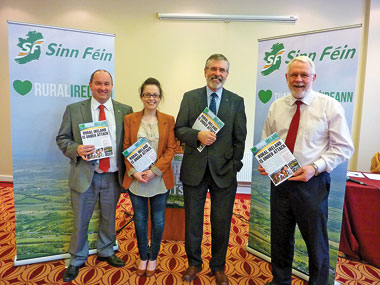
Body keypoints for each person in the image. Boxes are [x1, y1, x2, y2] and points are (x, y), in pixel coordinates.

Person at [258, 56, 354, 285]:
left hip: (313, 184)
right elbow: (267, 141)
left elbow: (344, 147)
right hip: (280, 183)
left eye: (304, 75)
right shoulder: (276, 106)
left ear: (314, 78)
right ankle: (280, 281)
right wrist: (265, 162)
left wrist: (315, 167)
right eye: (294, 75)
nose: (299, 80)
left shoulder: (329, 106)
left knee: (316, 242)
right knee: (280, 238)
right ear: (286, 78)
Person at [175, 54, 247, 285]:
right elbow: (179, 129)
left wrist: (235, 165)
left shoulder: (236, 101)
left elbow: (240, 138)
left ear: (227, 74)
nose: (218, 73)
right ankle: (194, 263)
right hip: (194, 170)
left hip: (224, 172)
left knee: (222, 221)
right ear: (204, 71)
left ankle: (218, 266)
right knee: (193, 221)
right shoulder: (190, 97)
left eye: (222, 70)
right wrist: (197, 134)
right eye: (213, 69)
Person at [56, 69, 133, 282]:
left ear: (112, 85)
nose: (103, 88)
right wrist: (76, 149)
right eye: (98, 83)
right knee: (81, 219)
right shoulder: (74, 109)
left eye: (107, 84)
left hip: (112, 176)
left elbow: (129, 143)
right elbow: (62, 138)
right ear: (90, 85)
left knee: (109, 217)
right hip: (84, 175)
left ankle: (106, 250)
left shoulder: (125, 111)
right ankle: (77, 259)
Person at [122, 78, 176, 277]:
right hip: (136, 179)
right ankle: (142, 256)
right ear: (141, 96)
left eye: (155, 95)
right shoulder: (130, 119)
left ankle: (153, 257)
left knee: (158, 219)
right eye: (147, 94)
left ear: (160, 97)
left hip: (159, 178)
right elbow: (126, 147)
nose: (151, 98)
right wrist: (133, 172)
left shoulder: (168, 119)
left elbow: (170, 149)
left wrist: (154, 171)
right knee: (140, 219)